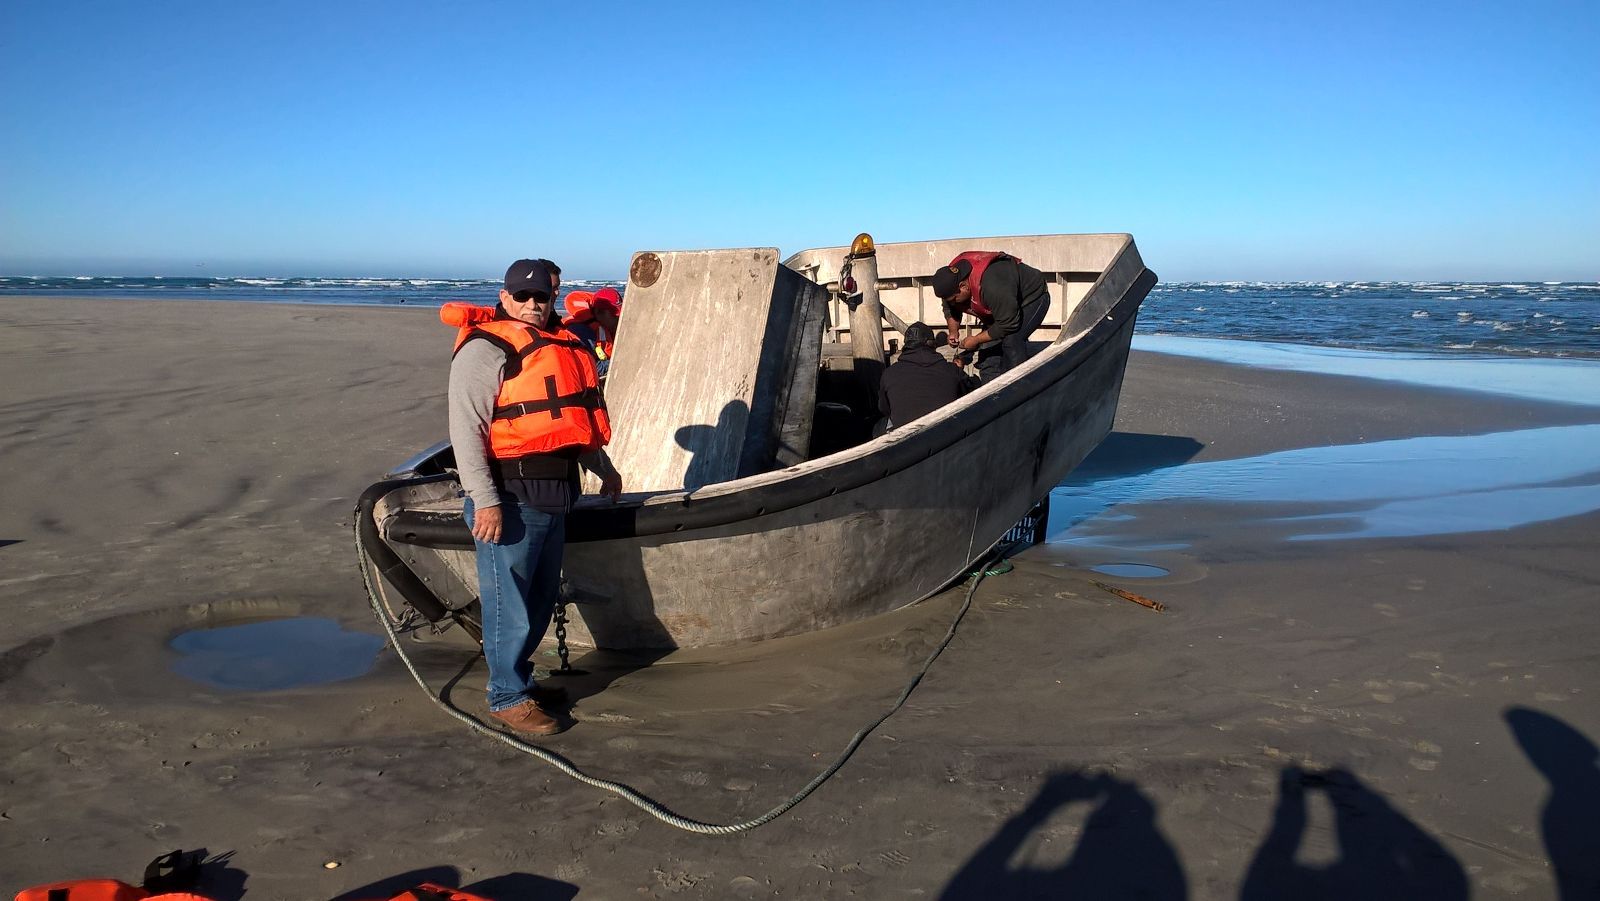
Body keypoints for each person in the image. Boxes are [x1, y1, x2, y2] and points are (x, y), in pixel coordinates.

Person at [447, 258, 623, 735]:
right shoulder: (486, 349)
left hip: (555, 494)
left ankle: (519, 682)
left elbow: (571, 425)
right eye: (520, 296)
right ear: (504, 298)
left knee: (540, 601)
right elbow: (466, 430)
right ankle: (505, 697)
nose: (531, 304)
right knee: (511, 605)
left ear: (551, 298)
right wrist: (483, 499)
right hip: (509, 498)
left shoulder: (562, 344)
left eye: (540, 297)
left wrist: (602, 469)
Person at [931, 251, 1052, 383]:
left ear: (963, 286)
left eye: (955, 299)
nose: (953, 303)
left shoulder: (992, 284)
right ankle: (992, 393)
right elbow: (949, 307)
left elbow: (1008, 324)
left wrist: (976, 339)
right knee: (988, 358)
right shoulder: (950, 283)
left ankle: (1016, 387)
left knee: (1012, 342)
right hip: (1000, 307)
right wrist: (953, 332)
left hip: (1032, 298)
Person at [878, 321, 974, 429]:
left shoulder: (889, 374)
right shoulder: (952, 371)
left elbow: (884, 409)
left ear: (906, 345)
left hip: (906, 439)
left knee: (880, 425)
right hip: (946, 434)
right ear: (933, 345)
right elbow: (971, 393)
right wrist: (958, 371)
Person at [561, 286, 622, 376]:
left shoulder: (607, 327)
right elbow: (592, 366)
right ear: (599, 313)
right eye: (615, 315)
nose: (620, 319)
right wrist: (621, 363)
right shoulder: (580, 332)